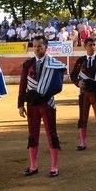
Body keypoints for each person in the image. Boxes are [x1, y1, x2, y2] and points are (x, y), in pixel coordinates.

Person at [19, 36, 66, 177]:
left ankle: (54, 166)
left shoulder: (54, 63)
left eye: (40, 46)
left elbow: (58, 86)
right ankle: (33, 166)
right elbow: (22, 86)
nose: (37, 48)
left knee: (51, 133)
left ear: (46, 47)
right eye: (34, 46)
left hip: (47, 103)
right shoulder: (28, 64)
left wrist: (43, 96)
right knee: (32, 134)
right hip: (32, 104)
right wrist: (20, 105)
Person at [70, 36, 96, 151]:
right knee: (83, 118)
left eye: (94, 45)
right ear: (85, 47)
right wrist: (78, 82)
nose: (93, 47)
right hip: (84, 93)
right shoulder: (81, 60)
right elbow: (73, 75)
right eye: (90, 45)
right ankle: (82, 142)